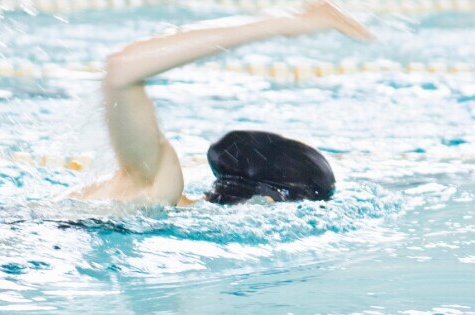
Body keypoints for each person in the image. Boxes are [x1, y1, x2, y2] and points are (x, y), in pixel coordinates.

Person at [72, 0, 373, 207]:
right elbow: (122, 71)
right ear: (267, 203)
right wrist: (282, 24)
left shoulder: (162, 196)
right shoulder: (161, 186)